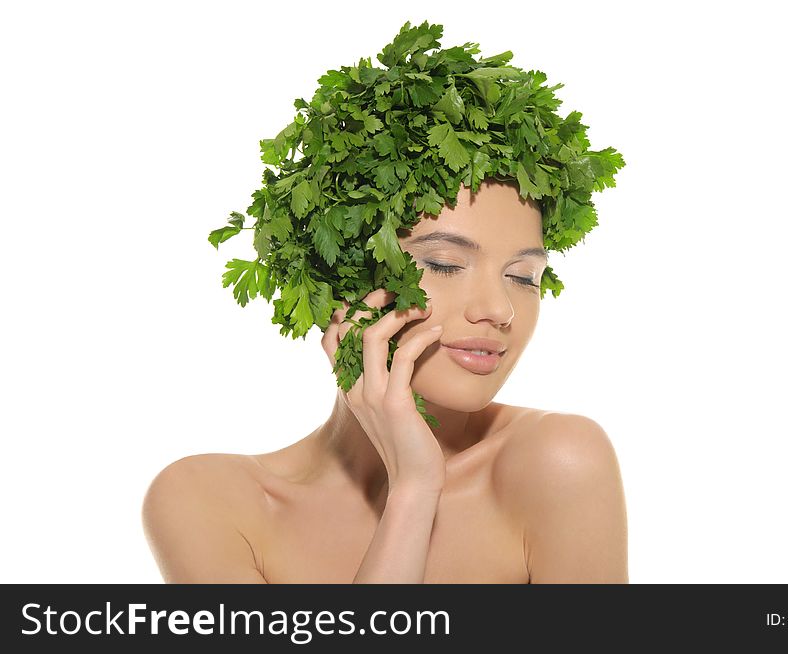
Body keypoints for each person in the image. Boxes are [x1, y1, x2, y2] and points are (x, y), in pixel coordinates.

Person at [141, 177, 629, 583]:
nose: (499, 310)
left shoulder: (557, 464)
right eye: (444, 265)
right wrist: (414, 491)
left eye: (524, 277)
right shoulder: (208, 502)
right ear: (338, 278)